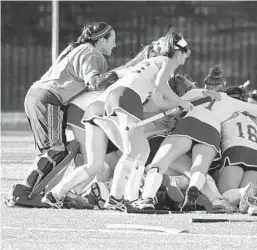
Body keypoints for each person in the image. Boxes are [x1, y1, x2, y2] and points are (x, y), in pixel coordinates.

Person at [42, 28, 193, 211]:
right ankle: (119, 198)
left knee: (95, 164)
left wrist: (182, 105)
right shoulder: (168, 61)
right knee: (138, 150)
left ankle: (54, 195)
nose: (186, 59)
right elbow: (161, 85)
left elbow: (159, 102)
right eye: (186, 54)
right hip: (124, 99)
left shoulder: (149, 64)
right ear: (178, 51)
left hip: (98, 106)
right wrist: (181, 101)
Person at [5, 22, 119, 206]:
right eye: (113, 40)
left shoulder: (78, 48)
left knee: (53, 151)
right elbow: (95, 82)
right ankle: (23, 192)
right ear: (101, 40)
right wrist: (119, 75)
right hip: (49, 99)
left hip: (38, 95)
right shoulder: (92, 53)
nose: (115, 45)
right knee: (55, 150)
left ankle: (36, 192)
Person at [136, 64, 257, 211]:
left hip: (188, 125)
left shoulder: (195, 92)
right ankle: (197, 194)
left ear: (206, 83)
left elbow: (173, 109)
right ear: (223, 86)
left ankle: (147, 197)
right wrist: (242, 107)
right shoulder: (230, 101)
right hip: (211, 132)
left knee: (160, 163)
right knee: (198, 170)